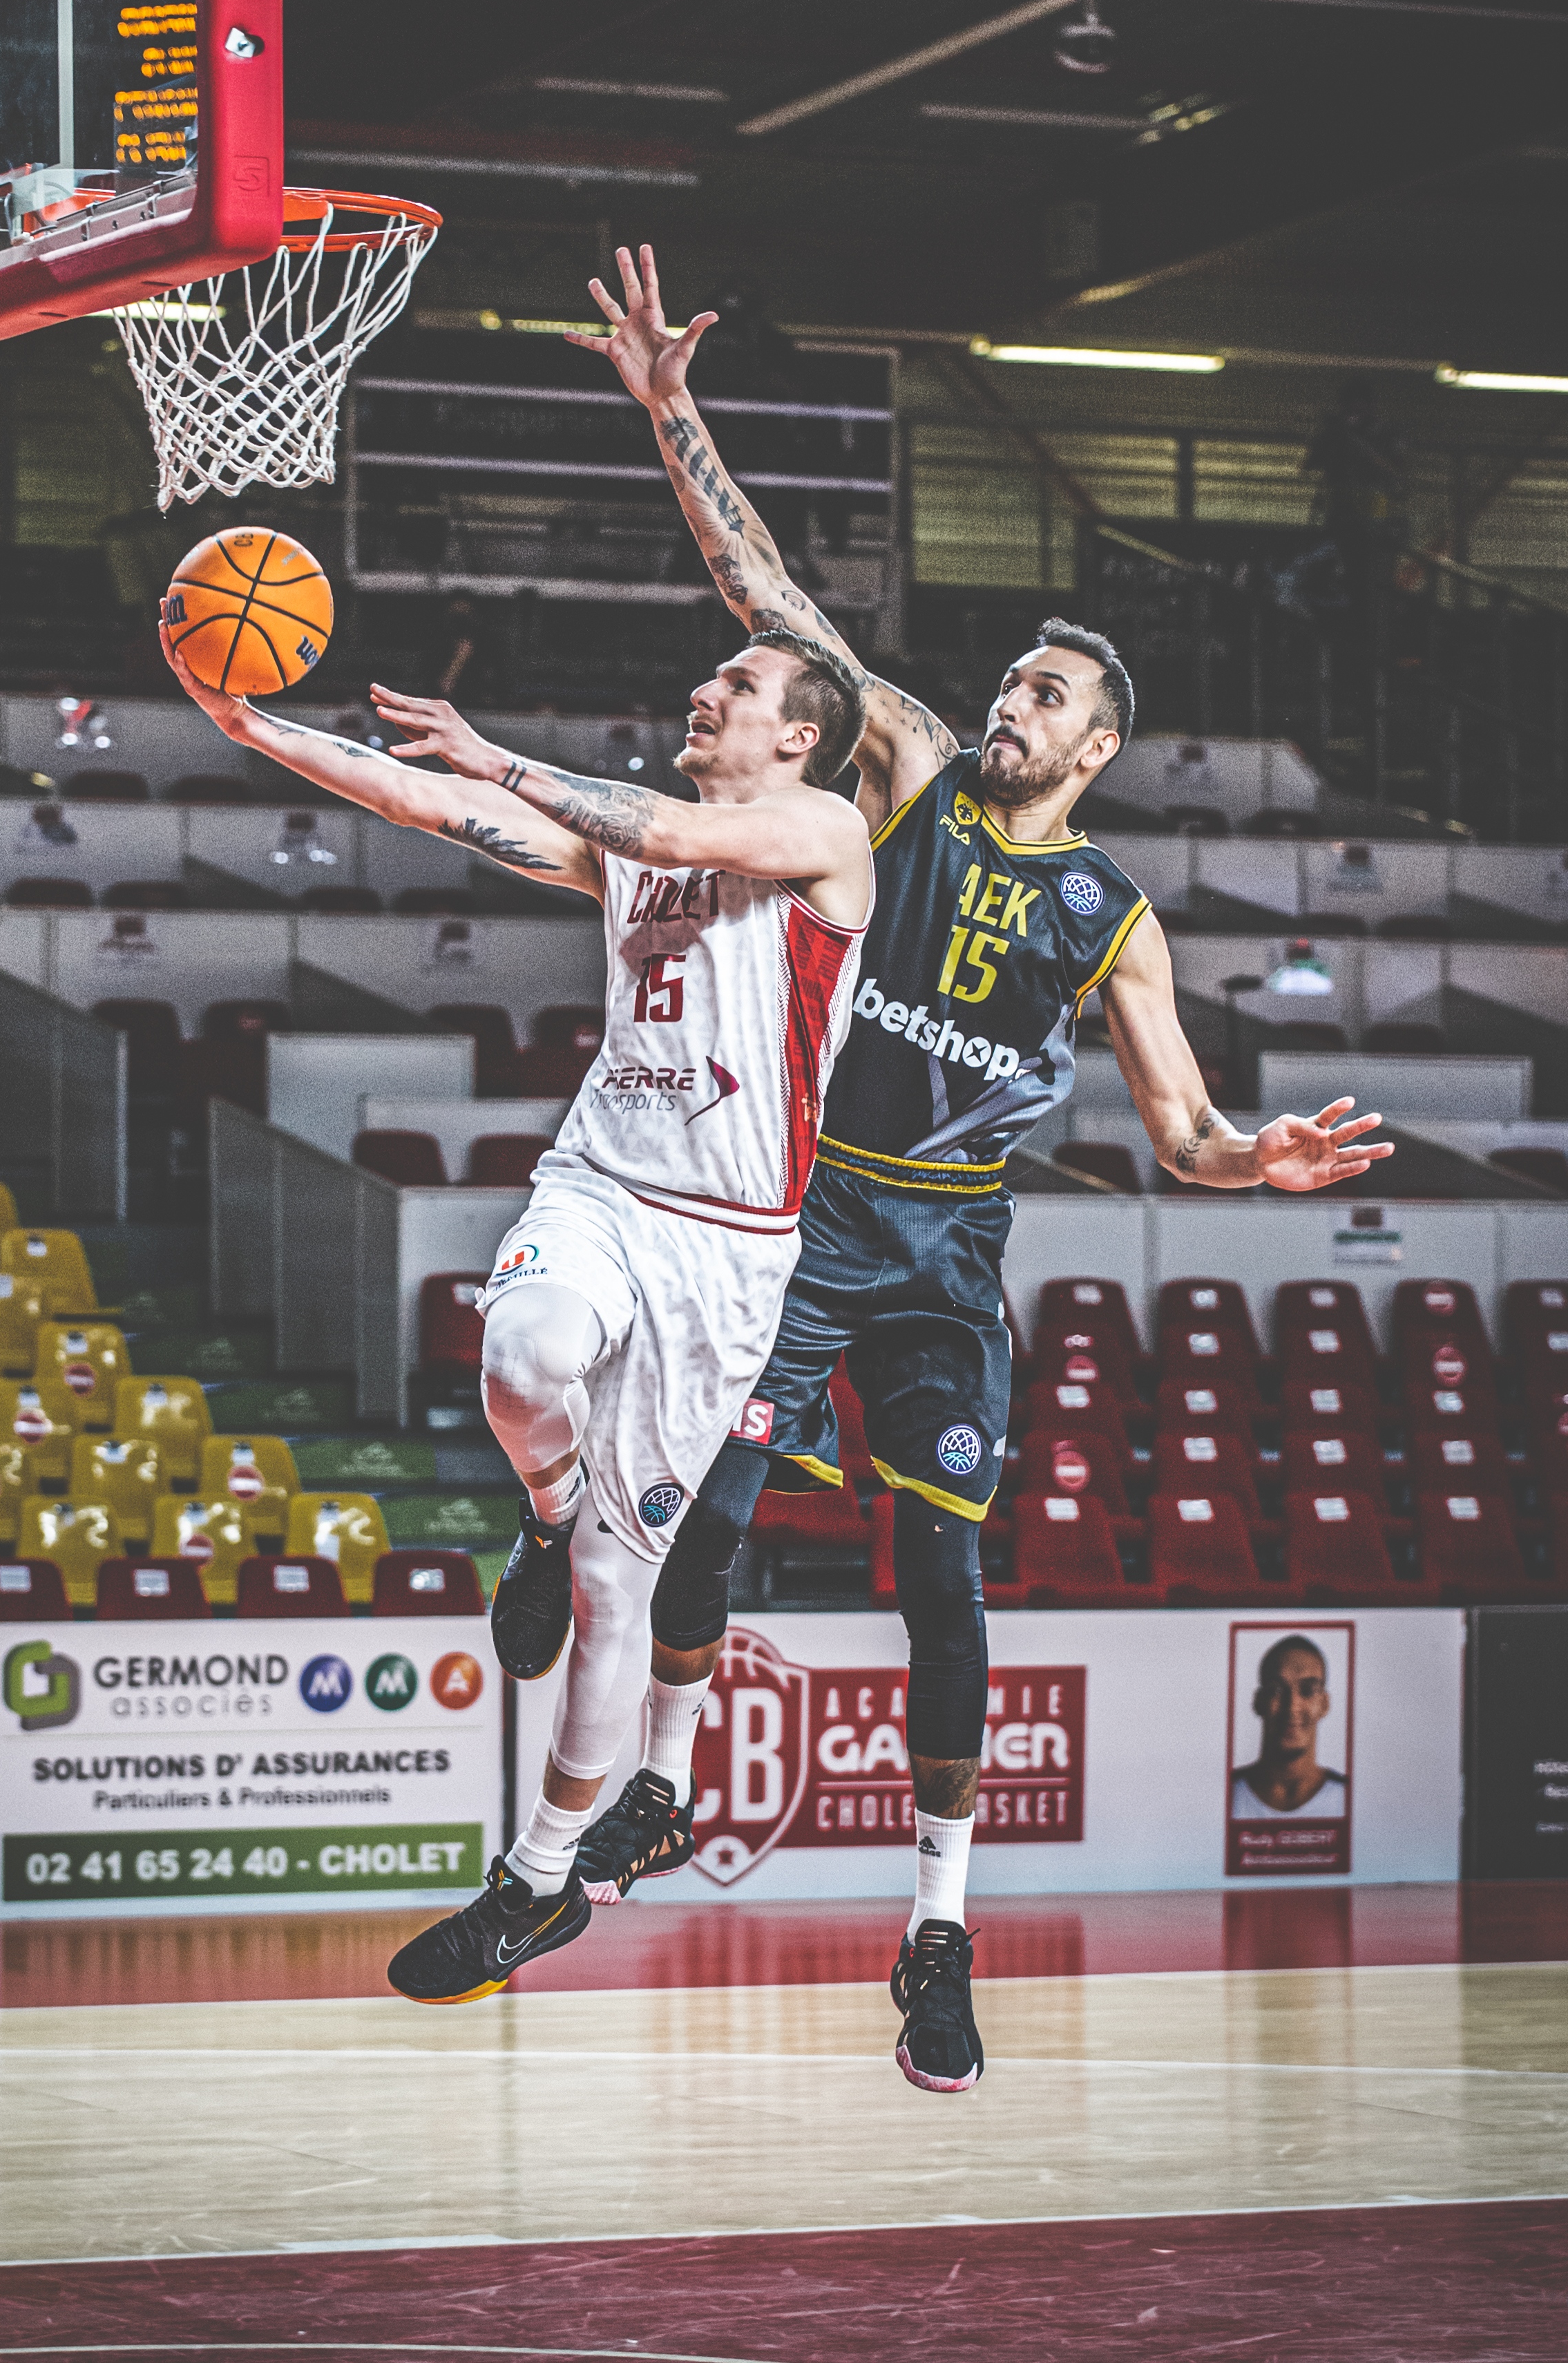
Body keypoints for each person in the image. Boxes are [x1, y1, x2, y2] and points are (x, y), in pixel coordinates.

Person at [567, 245, 1395, 2097]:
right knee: (704, 1522)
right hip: (813, 1215)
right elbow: (765, 594)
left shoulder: (1115, 916)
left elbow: (1176, 1131)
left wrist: (1245, 1155)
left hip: (945, 1267)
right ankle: (660, 1790)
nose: (1006, 700)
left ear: (1092, 750)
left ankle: (932, 1934)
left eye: (1041, 693)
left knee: (940, 1593)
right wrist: (670, 412)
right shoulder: (916, 774)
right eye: (1011, 678)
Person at [159, 601, 872, 2002]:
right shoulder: (632, 842)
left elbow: (657, 833)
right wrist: (253, 724)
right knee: (520, 1352)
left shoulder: (824, 837)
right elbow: (435, 808)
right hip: (603, 1179)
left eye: (736, 676)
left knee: (624, 1595)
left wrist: (500, 755)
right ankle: (542, 1511)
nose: (702, 684)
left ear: (798, 734)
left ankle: (534, 1882)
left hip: (728, 1250)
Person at [1230, 1633, 1348, 1819]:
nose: (1292, 1707)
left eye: (1308, 1690)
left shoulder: (1350, 1798)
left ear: (1324, 1704)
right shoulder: (1223, 1795)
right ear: (1259, 1702)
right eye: (1277, 1690)